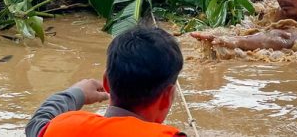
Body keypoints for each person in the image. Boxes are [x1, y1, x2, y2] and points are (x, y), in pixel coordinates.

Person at [25, 26, 186, 137]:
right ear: (167, 97)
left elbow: (37, 122)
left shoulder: (62, 129)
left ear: (106, 82)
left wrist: (76, 93)